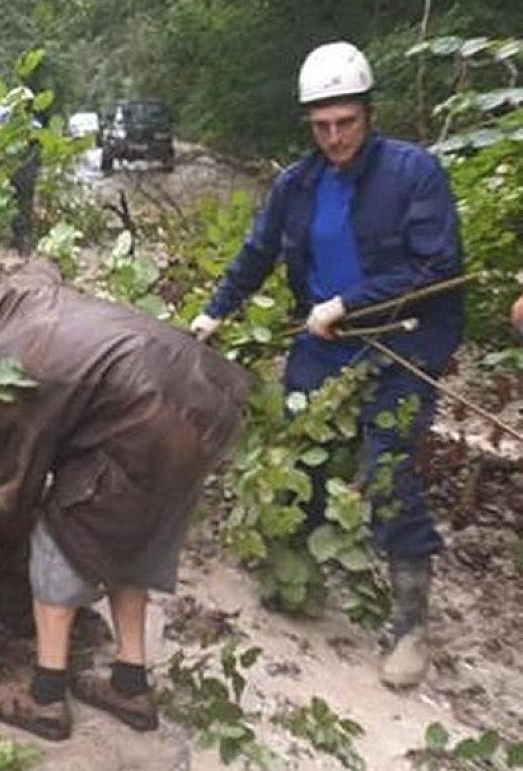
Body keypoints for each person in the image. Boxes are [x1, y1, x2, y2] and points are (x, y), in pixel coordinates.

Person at [190, 41, 464, 689]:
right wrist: (216, 311)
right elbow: (256, 253)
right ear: (309, 125)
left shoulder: (414, 173)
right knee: (296, 442)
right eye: (322, 126)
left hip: (402, 339)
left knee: (388, 460)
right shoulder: (297, 185)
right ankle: (300, 567)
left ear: (369, 114)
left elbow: (436, 266)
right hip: (323, 338)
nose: (336, 137)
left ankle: (409, 625)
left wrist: (352, 302)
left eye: (347, 123)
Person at [0, 257, 248, 741]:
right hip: (209, 399)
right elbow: (43, 264)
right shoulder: (21, 294)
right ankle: (130, 685)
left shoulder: (0, 372)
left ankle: (46, 699)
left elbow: (15, 498)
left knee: (60, 533)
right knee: (134, 531)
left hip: (145, 419)